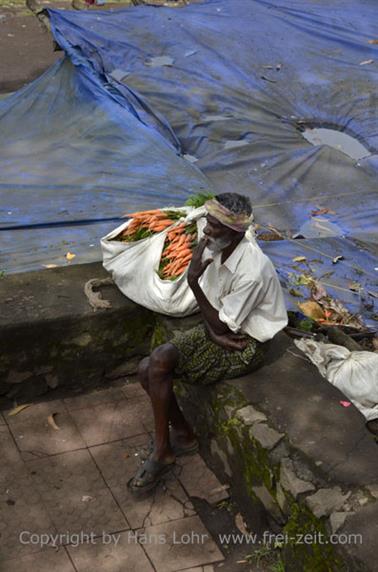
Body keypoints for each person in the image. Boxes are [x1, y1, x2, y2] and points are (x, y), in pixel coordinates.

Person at [128, 192, 288, 495]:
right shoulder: (213, 244)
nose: (206, 230)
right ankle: (182, 437)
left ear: (235, 233)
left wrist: (193, 282)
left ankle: (167, 449)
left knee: (156, 365)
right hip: (218, 326)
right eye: (208, 222)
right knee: (146, 368)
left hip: (245, 342)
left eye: (215, 226)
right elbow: (216, 322)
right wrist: (213, 331)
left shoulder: (251, 270)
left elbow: (225, 326)